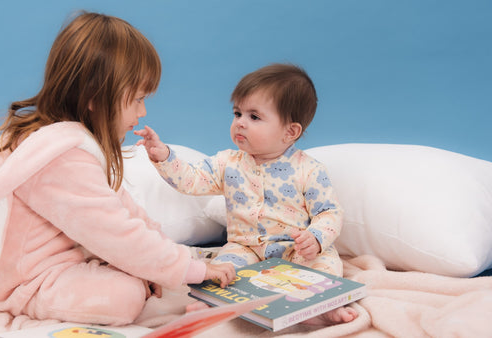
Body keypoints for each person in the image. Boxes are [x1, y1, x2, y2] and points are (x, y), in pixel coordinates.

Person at [0, 11, 235, 326]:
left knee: (139, 262)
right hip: (27, 283)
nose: (143, 111)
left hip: (56, 259)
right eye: (136, 99)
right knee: (126, 296)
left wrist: (172, 257)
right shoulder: (59, 159)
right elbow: (116, 233)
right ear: (95, 97)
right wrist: (187, 269)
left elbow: (123, 209)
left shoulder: (65, 141)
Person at [135, 63, 358, 324]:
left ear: (290, 132)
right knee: (222, 270)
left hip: (293, 249)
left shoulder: (309, 170)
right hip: (246, 248)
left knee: (325, 266)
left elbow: (328, 212)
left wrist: (316, 238)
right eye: (237, 113)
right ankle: (212, 305)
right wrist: (164, 157)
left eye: (254, 117)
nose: (240, 123)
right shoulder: (227, 162)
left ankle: (326, 307)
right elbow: (192, 180)